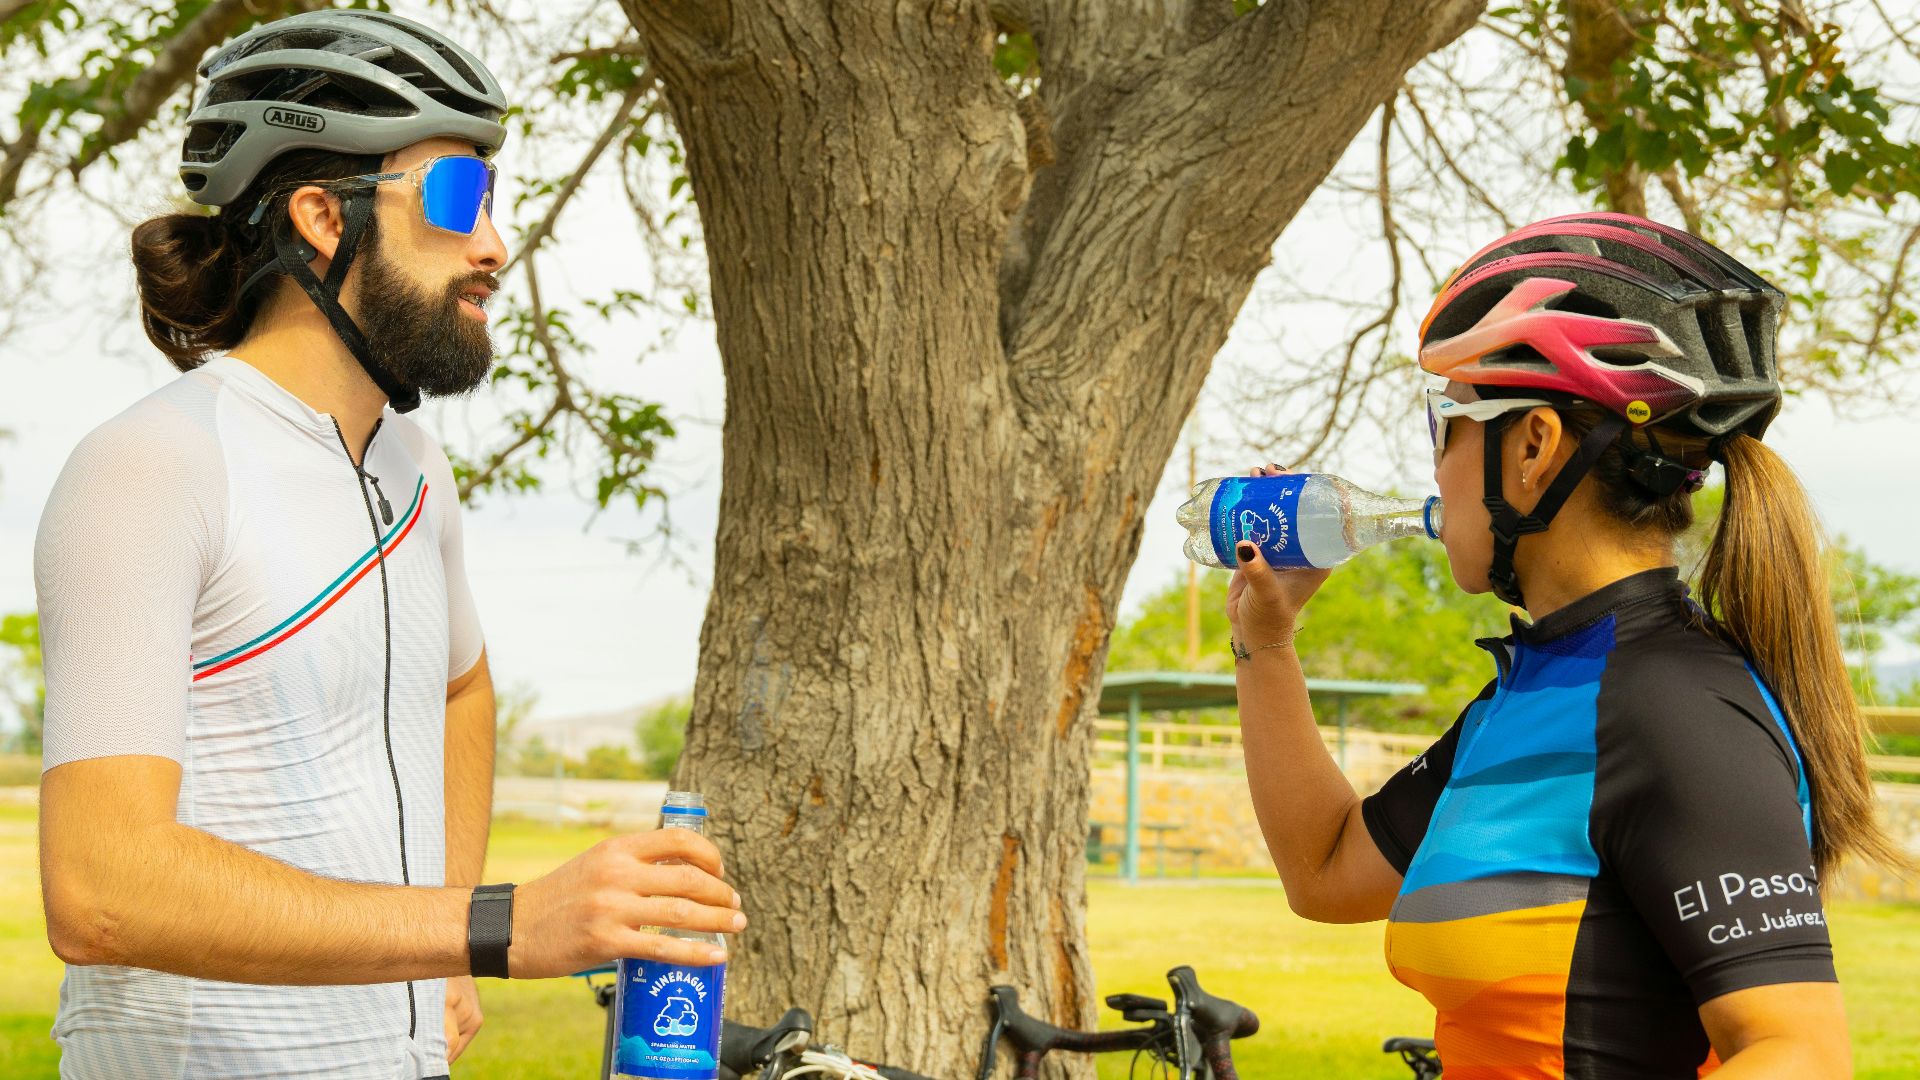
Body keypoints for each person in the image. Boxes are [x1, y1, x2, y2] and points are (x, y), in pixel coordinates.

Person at [33, 12, 743, 1079]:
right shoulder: (155, 465)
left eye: (496, 201)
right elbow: (101, 891)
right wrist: (492, 925)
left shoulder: (412, 465)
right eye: (460, 198)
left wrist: (441, 957)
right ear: (323, 216)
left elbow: (463, 686)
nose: (496, 244)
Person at [1227, 212, 1906, 1077]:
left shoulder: (1671, 706)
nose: (1433, 467)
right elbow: (1324, 872)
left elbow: (1799, 1052)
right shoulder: (1539, 687)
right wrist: (1266, 641)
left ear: (1534, 446)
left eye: (1448, 423)